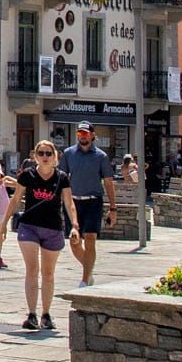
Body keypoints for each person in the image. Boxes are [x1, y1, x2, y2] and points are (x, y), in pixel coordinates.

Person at [4, 138, 79, 331]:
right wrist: (3, 223)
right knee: (32, 269)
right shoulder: (27, 175)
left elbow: (69, 203)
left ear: (55, 156)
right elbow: (15, 199)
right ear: (35, 156)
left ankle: (46, 313)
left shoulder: (62, 178)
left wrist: (75, 226)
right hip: (29, 225)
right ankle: (31, 314)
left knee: (48, 273)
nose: (45, 157)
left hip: (53, 227)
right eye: (41, 153)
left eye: (48, 153)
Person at [58, 123, 116, 287]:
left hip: (93, 201)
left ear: (92, 135)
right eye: (80, 133)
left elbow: (109, 182)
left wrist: (113, 209)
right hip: (73, 203)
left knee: (90, 238)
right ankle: (89, 270)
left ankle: (85, 279)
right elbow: (61, 180)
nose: (83, 136)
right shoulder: (69, 154)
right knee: (74, 242)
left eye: (85, 133)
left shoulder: (101, 156)